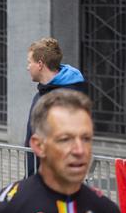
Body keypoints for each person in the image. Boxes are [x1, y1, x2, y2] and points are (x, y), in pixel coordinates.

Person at [24, 38, 88, 176]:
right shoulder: (42, 92)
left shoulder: (67, 97)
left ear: (40, 64)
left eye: (30, 62)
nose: (27, 67)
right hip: (38, 175)